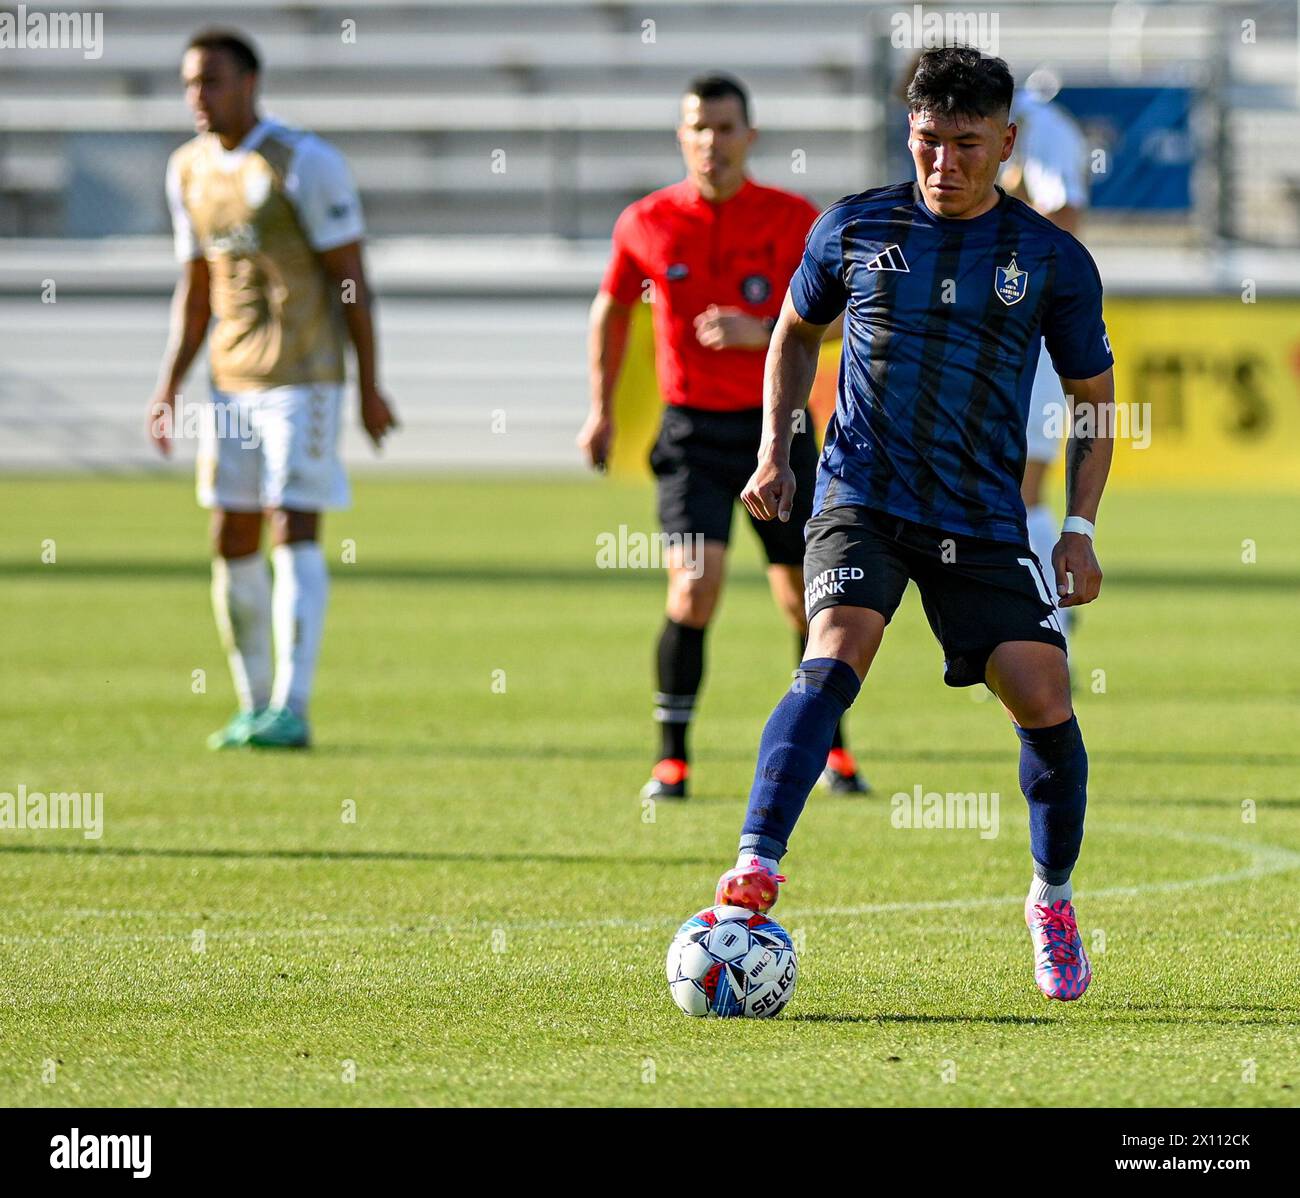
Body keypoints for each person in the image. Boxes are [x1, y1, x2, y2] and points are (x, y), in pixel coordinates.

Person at [713, 47, 1115, 1002]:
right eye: (929, 141)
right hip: (862, 495)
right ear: (910, 132)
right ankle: (755, 863)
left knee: (1044, 696)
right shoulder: (854, 226)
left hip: (981, 514)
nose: (945, 163)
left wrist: (1080, 527)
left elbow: (1094, 397)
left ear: (1007, 142)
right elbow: (794, 332)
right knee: (832, 655)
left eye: (967, 145)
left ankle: (1051, 900)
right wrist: (777, 448)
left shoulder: (1050, 259)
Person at [579, 73, 866, 801]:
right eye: (698, 128)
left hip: (781, 429)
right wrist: (601, 410)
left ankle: (829, 750)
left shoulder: (791, 216)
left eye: (725, 127)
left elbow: (841, 319)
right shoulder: (644, 222)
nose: (712, 142)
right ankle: (671, 760)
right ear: (683, 136)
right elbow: (610, 311)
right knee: (694, 590)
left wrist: (760, 334)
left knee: (807, 601)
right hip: (692, 436)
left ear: (751, 136)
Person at [149, 28, 397, 749]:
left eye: (213, 81)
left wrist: (368, 385)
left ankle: (292, 703)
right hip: (228, 382)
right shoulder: (187, 170)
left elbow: (351, 280)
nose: (200, 96)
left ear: (250, 83)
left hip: (304, 376)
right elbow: (197, 285)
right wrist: (169, 383)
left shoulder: (303, 163)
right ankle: (251, 702)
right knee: (230, 531)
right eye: (191, 82)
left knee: (293, 522)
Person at [1001, 69, 1092, 644]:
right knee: (1007, 484)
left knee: (1025, 483)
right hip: (1000, 325)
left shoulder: (1046, 131)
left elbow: (1067, 218)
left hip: (1031, 327)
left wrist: (998, 212)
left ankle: (1046, 628)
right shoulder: (1021, 130)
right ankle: (1029, 624)